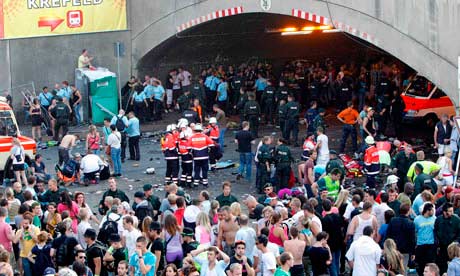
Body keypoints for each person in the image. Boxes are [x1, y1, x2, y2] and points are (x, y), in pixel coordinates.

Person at [386, 203, 415, 271]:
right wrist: (413, 252)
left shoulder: (393, 220)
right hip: (405, 251)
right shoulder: (410, 223)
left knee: (393, 269)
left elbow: (388, 235)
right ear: (408, 211)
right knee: (403, 269)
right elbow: (412, 239)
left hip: (393, 249)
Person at [435, 202, 460, 274]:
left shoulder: (456, 220)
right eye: (450, 211)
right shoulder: (438, 220)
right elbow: (435, 231)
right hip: (441, 247)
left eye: (452, 211)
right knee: (441, 265)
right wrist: (437, 243)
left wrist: (455, 242)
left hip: (453, 247)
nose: (452, 213)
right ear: (444, 212)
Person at [414, 203, 436, 275]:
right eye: (432, 210)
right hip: (420, 245)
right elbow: (415, 232)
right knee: (421, 264)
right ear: (427, 211)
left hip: (431, 244)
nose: (433, 212)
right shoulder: (417, 219)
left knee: (430, 264)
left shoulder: (434, 218)